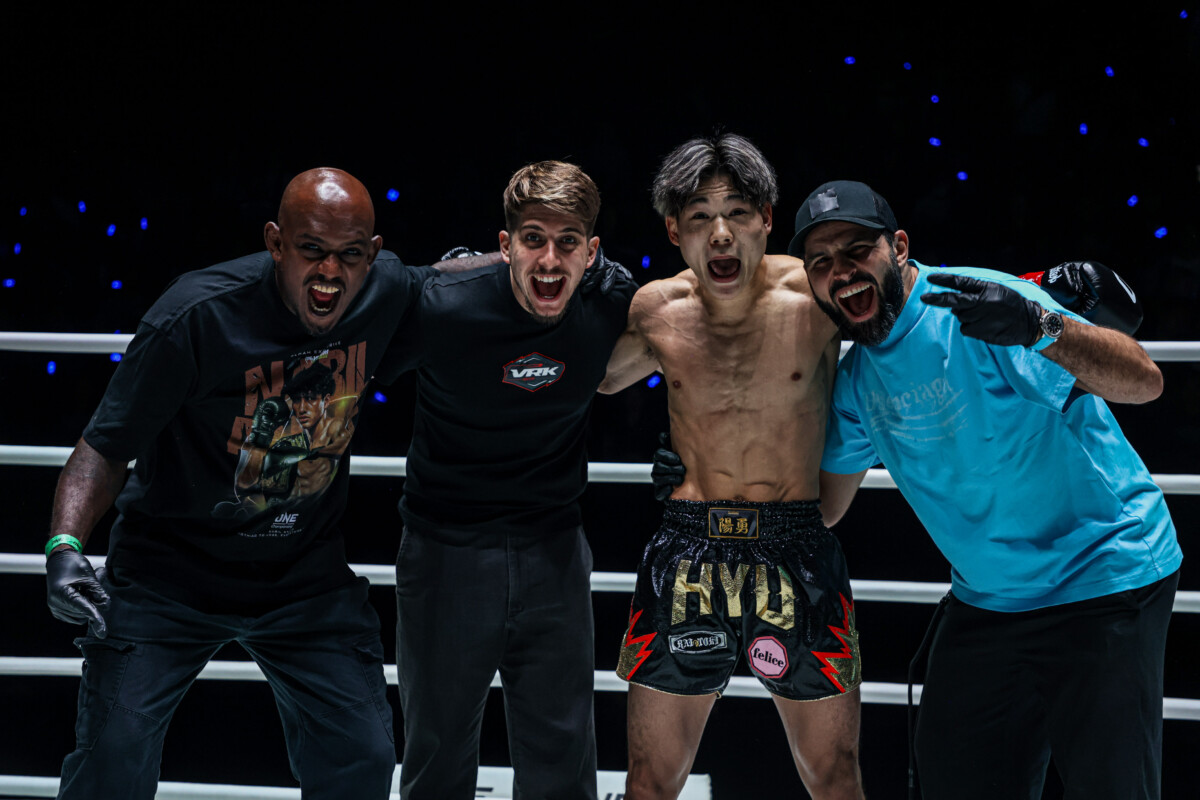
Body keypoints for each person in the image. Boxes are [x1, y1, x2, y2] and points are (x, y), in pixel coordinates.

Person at [41, 167, 483, 800]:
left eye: (349, 255)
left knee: (362, 753)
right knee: (111, 756)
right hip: (168, 575)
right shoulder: (195, 315)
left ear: (372, 254)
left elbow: (448, 276)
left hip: (303, 578)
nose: (329, 272)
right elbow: (105, 447)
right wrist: (64, 547)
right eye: (312, 250)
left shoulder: (383, 289)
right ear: (276, 243)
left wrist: (561, 263)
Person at [792, 180, 1180, 799]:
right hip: (991, 601)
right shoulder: (857, 379)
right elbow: (824, 507)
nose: (841, 272)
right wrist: (708, 470)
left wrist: (1038, 324)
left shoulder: (979, 306)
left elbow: (1145, 381)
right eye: (821, 262)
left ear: (898, 247)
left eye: (857, 250)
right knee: (955, 778)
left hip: (1104, 576)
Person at [598, 133, 865, 799]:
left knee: (835, 777)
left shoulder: (817, 296)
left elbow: (910, 322)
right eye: (700, 217)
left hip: (796, 545)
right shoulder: (656, 310)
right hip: (688, 548)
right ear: (674, 231)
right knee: (650, 780)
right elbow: (589, 378)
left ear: (766, 219)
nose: (721, 234)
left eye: (738, 213)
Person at [376, 160, 636, 799]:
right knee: (436, 757)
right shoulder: (443, 306)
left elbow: (699, 344)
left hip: (555, 550)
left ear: (591, 252)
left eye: (568, 242)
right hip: (445, 550)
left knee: (563, 761)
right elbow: (351, 362)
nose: (549, 260)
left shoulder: (611, 304)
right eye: (533, 239)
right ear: (505, 245)